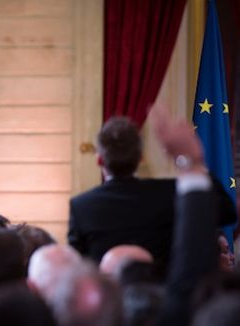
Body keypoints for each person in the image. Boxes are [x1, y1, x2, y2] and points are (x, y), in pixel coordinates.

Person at [67, 116, 235, 278]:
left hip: (105, 304)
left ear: (100, 160)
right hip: (165, 302)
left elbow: (76, 269)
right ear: (140, 158)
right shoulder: (170, 193)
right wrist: (193, 161)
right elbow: (227, 211)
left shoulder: (81, 207)